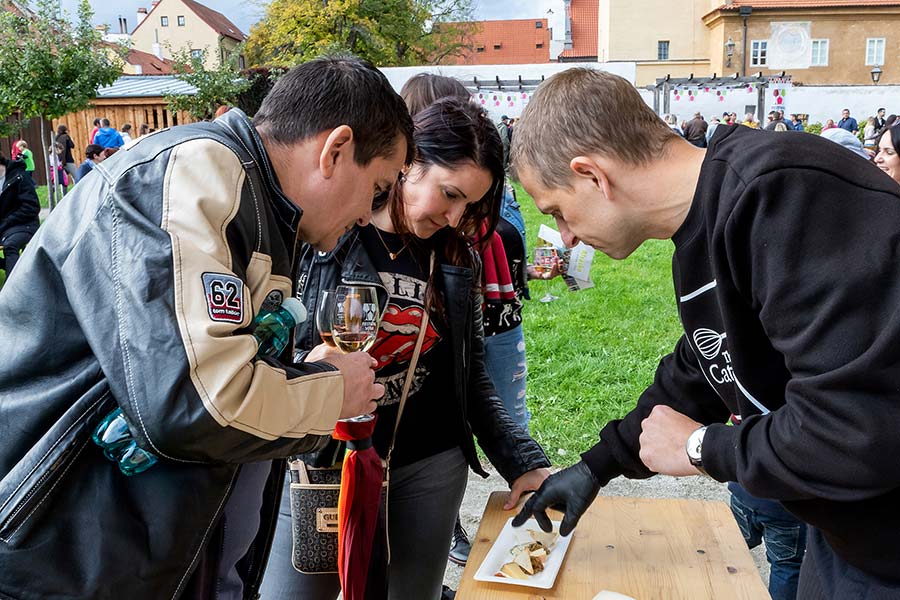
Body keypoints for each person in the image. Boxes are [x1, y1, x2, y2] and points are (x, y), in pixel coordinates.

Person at [0, 54, 415, 600]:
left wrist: (294, 375)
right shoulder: (195, 175)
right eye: (379, 189)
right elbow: (195, 402)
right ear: (335, 151)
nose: (369, 215)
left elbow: (212, 361)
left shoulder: (261, 204)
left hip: (135, 557)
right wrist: (331, 394)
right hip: (65, 561)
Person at [510, 67, 900, 600]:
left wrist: (700, 447)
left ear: (593, 175)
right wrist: (596, 466)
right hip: (846, 536)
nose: (569, 234)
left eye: (558, 211)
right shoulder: (704, 227)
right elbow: (706, 361)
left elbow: (856, 427)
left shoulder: (780, 195)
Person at [260, 97, 551, 600]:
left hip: (429, 468)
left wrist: (521, 458)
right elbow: (263, 348)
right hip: (325, 465)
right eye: (451, 194)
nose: (456, 216)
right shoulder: (323, 233)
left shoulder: (458, 257)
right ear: (408, 163)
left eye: (471, 206)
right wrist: (303, 371)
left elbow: (470, 375)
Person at [0, 150, 40, 277]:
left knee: (10, 245)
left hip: (22, 225)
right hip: (3, 227)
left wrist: (6, 222)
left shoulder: (19, 176)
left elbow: (31, 207)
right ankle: (19, 273)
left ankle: (12, 292)